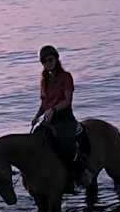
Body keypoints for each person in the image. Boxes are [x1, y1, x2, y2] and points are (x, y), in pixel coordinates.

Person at [30, 45, 92, 186]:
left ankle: (76, 174)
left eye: (50, 59)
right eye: (44, 61)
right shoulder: (44, 81)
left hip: (64, 117)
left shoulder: (66, 77)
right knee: (36, 138)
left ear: (56, 59)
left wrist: (54, 109)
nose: (48, 63)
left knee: (65, 144)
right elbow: (44, 103)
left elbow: (67, 100)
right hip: (49, 118)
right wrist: (36, 116)